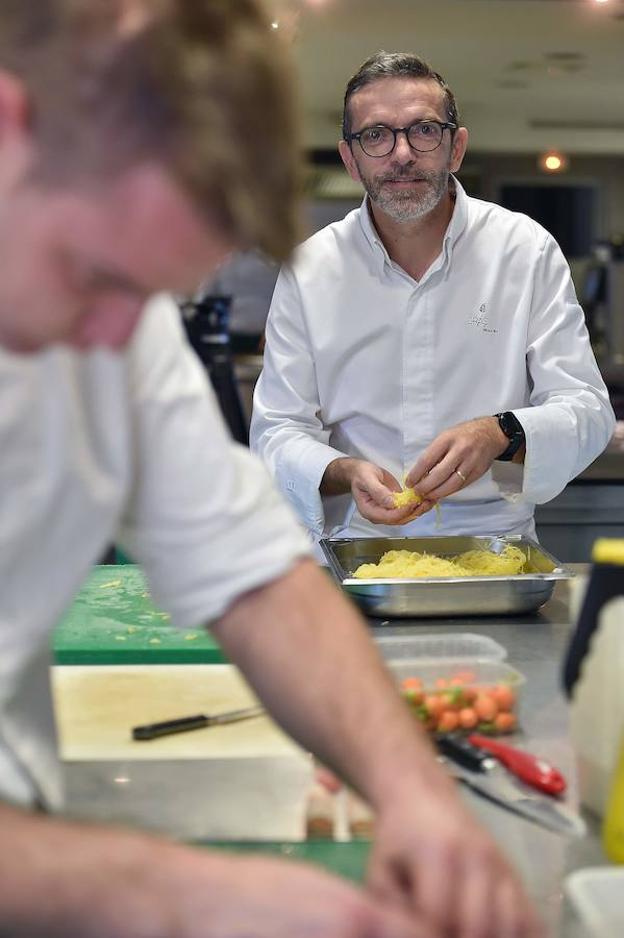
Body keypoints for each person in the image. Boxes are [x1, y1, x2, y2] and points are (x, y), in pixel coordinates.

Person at [0, 7, 541, 936]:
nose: (115, 339)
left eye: (153, 293)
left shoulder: (119, 324)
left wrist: (411, 789)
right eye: (96, 275)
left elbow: (249, 569)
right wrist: (176, 890)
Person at [251, 51, 615, 548]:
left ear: (456, 147)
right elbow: (276, 430)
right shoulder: (309, 268)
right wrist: (343, 469)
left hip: (494, 549)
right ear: (350, 160)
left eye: (423, 130)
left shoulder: (524, 250)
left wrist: (501, 432)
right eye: (376, 135)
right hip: (355, 549)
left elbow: (587, 410)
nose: (401, 154)